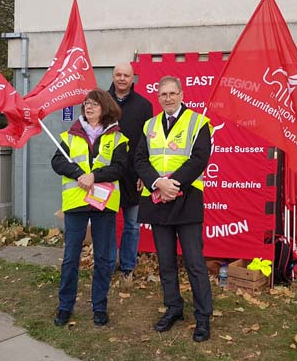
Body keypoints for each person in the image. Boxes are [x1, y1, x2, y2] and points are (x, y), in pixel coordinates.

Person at [135, 76, 213, 342]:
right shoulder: (149, 125)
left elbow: (200, 158)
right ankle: (173, 308)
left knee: (194, 263)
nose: (167, 98)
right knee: (165, 262)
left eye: (172, 93)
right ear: (158, 97)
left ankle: (203, 317)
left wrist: (173, 184)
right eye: (163, 94)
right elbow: (140, 159)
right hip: (158, 200)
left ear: (181, 94)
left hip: (187, 200)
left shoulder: (198, 122)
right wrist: (158, 183)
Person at [51, 89, 129, 327]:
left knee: (104, 258)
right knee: (70, 257)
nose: (89, 107)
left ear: (104, 107)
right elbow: (57, 161)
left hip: (104, 205)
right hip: (76, 202)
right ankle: (65, 306)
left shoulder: (118, 137)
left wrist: (94, 175)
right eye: (86, 104)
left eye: (94, 104)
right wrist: (79, 174)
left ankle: (100, 306)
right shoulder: (70, 134)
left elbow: (119, 168)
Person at [108, 62, 153, 280]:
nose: (122, 78)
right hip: (106, 175)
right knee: (105, 223)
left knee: (132, 225)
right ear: (113, 76)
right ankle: (106, 264)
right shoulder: (101, 101)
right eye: (118, 74)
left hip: (134, 175)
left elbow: (148, 144)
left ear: (133, 78)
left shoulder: (144, 106)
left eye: (126, 75)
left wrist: (144, 175)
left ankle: (127, 266)